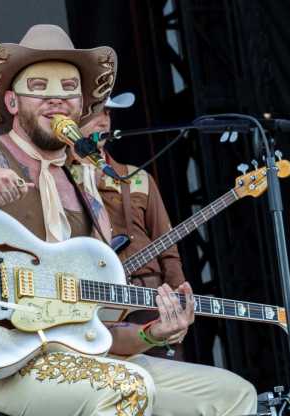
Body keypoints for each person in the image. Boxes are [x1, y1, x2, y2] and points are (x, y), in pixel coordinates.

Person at [0, 24, 256, 416]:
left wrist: (152, 334)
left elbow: (96, 332)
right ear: (11, 102)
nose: (56, 100)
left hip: (79, 363)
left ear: (81, 105)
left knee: (232, 395)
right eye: (39, 88)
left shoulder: (89, 191)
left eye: (68, 90)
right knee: (127, 387)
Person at [78, 93, 188, 360]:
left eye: (108, 113)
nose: (103, 121)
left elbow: (168, 248)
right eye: (95, 113)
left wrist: (179, 300)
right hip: (99, 304)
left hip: (150, 300)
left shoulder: (138, 178)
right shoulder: (58, 180)